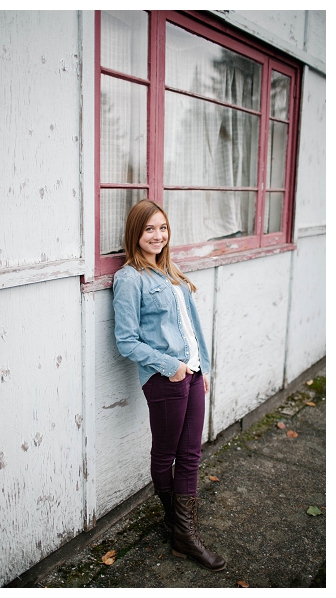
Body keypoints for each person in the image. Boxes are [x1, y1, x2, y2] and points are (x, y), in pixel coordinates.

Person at [112, 199, 225, 572]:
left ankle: (181, 531)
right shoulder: (130, 278)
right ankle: (182, 530)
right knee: (166, 455)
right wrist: (171, 366)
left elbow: (192, 327)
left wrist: (202, 367)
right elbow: (126, 340)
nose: (158, 235)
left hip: (191, 374)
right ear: (136, 233)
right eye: (149, 229)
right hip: (165, 378)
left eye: (162, 228)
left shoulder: (170, 271)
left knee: (192, 453)